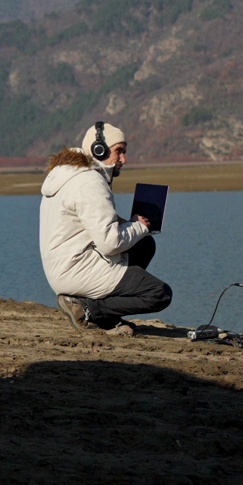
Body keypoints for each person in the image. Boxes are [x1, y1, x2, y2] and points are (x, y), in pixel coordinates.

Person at [38, 121, 173, 335]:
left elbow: (89, 221)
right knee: (159, 294)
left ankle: (101, 312)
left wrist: (128, 224)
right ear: (98, 150)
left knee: (144, 245)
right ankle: (90, 310)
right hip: (78, 269)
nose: (123, 159)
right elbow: (110, 244)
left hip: (65, 266)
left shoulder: (70, 175)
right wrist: (138, 227)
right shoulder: (90, 182)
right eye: (118, 151)